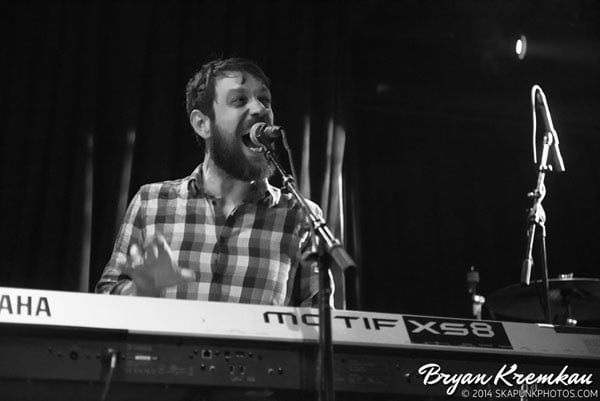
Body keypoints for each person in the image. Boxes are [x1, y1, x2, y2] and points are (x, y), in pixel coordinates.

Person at [95, 57, 322, 306]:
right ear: (203, 124)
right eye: (239, 100)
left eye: (264, 99)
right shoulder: (151, 202)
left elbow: (323, 329)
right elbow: (105, 299)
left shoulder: (302, 217)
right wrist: (141, 289)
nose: (259, 109)